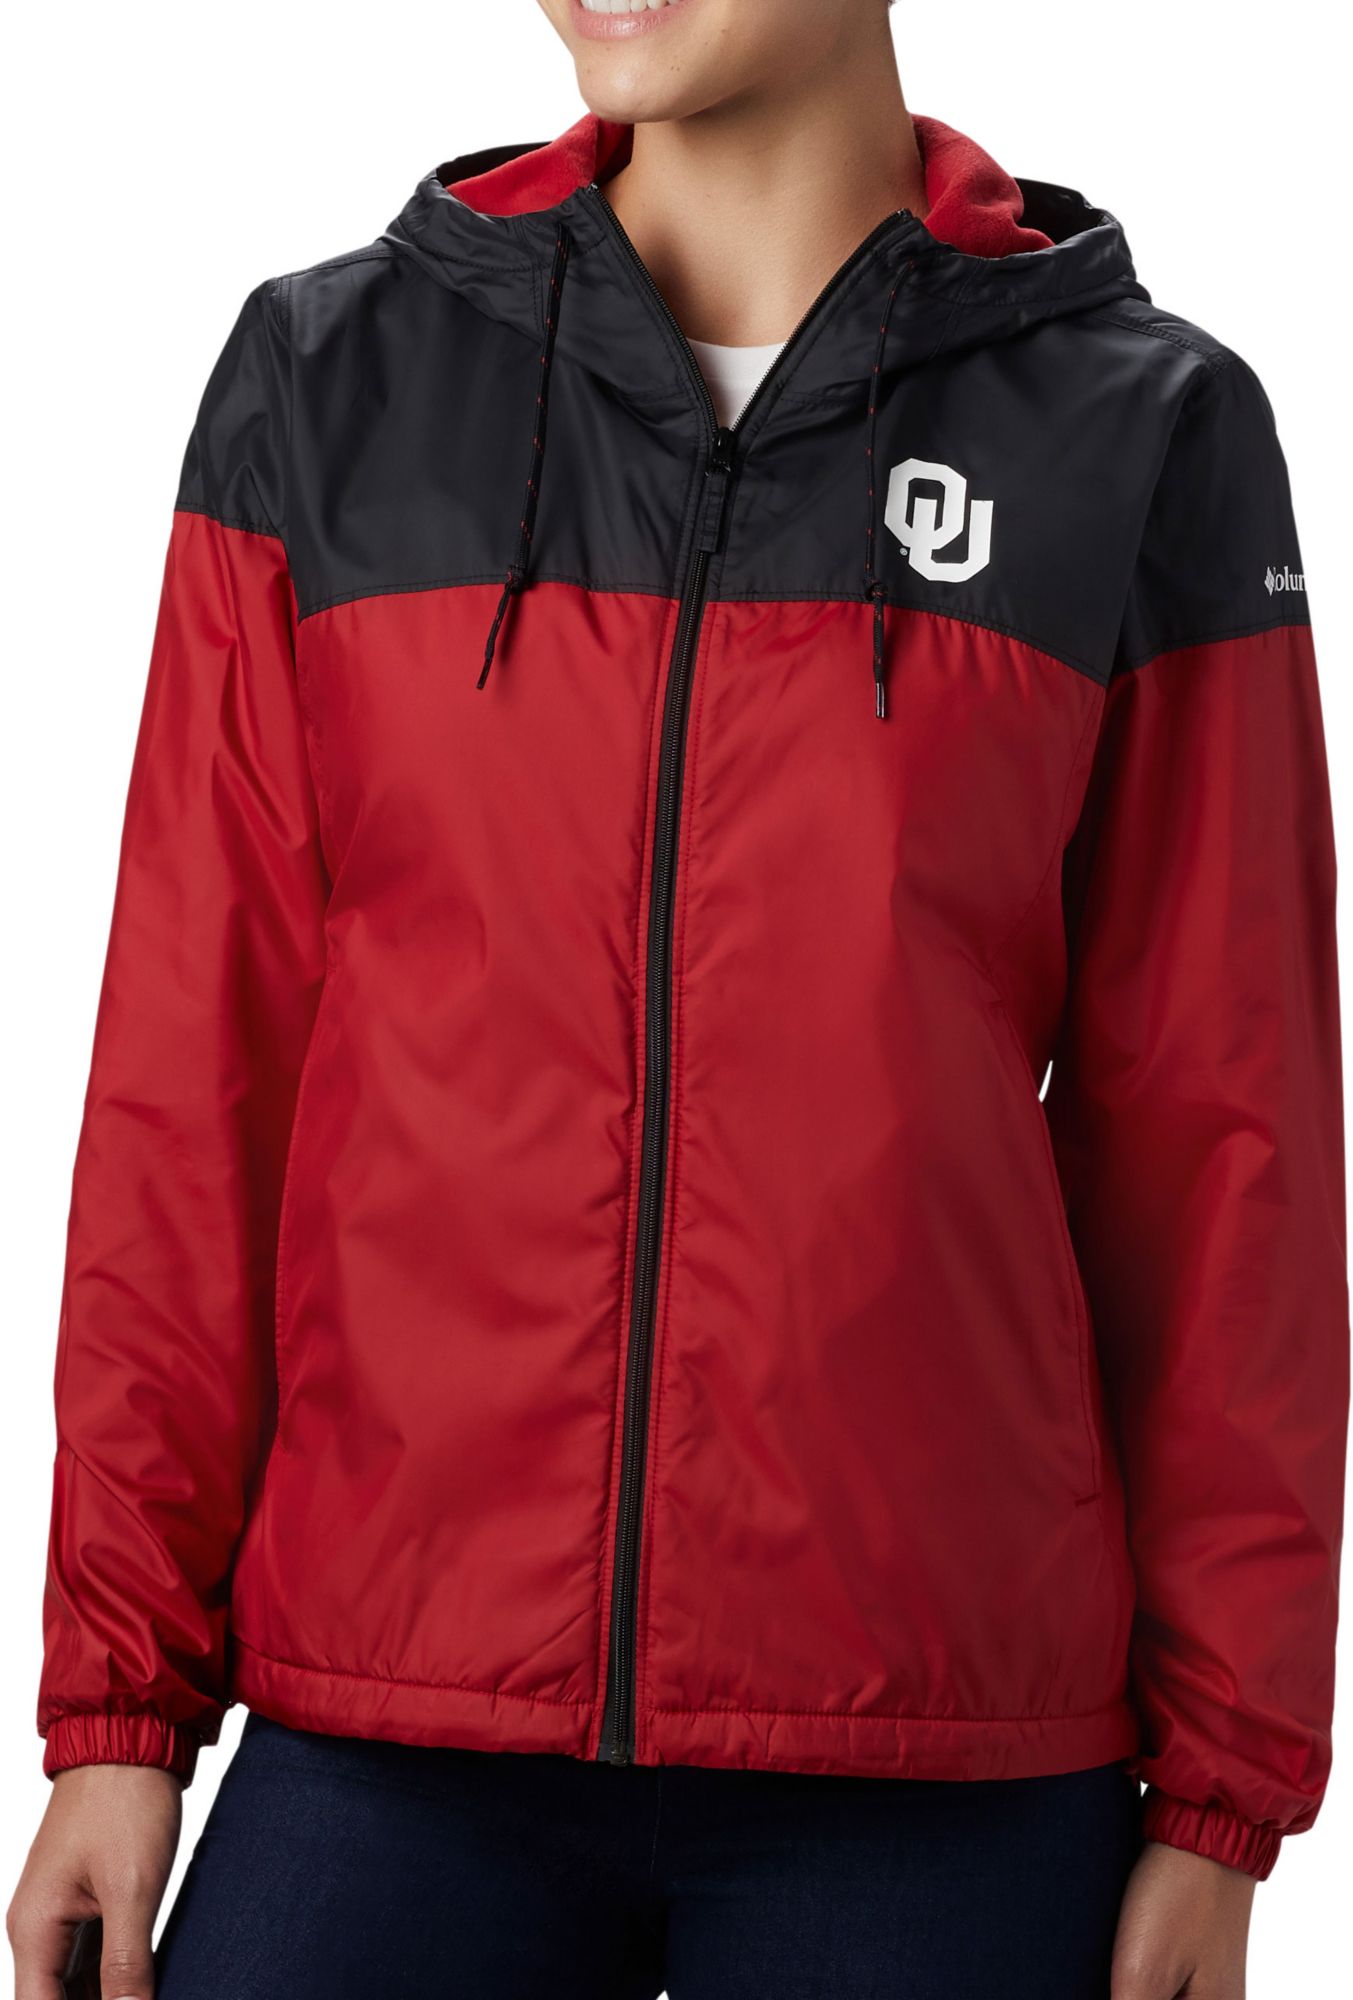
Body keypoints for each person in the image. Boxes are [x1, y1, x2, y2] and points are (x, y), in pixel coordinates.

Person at [7, 1, 1347, 1995]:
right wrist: (116, 1711)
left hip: (935, 1744)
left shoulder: (1138, 427)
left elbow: (1227, 1144)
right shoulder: (331, 376)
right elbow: (193, 1080)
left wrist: (1219, 1795)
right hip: (394, 1701)